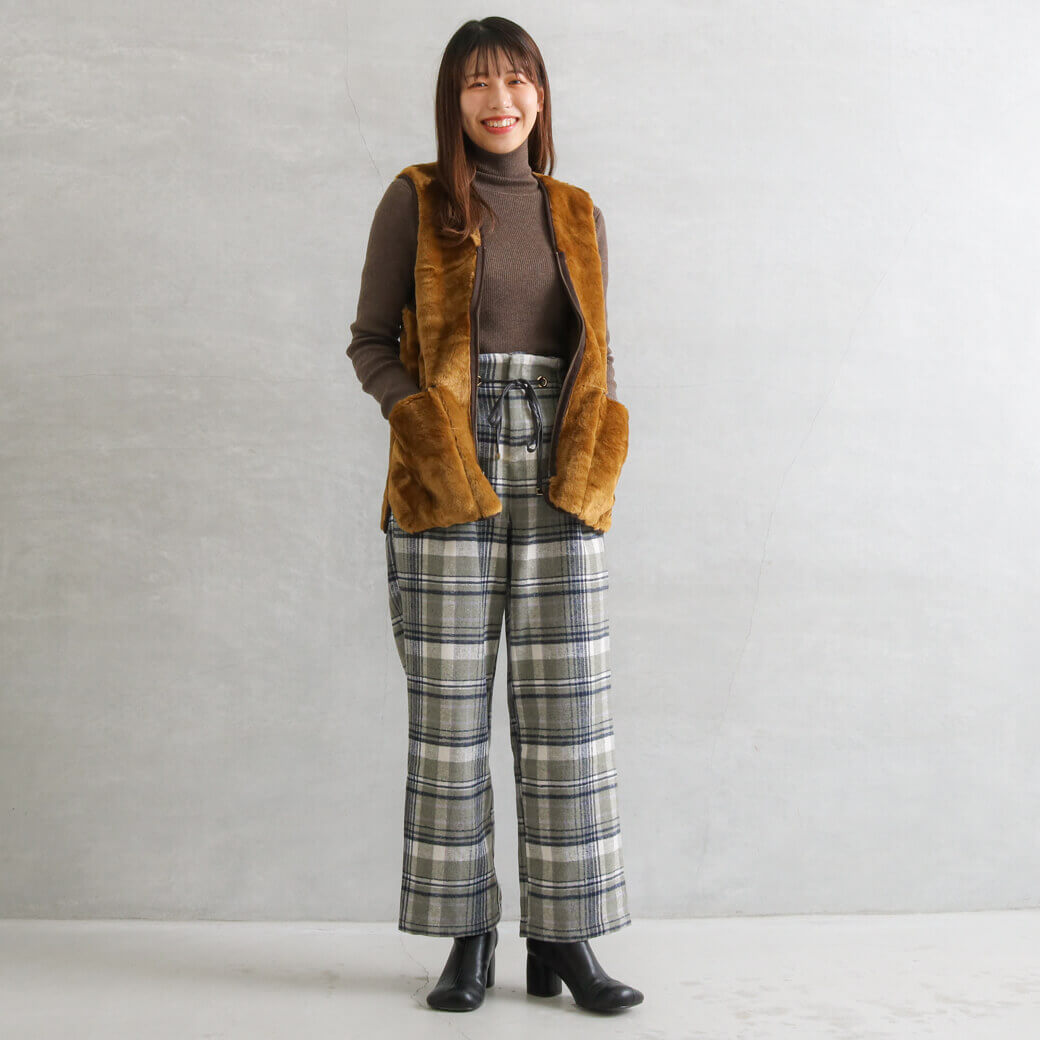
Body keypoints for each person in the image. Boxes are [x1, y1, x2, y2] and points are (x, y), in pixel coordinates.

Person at [347, 16, 642, 1015]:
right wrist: (427, 426)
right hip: (446, 474)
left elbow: (598, 351)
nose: (499, 99)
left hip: (561, 468)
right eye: (477, 83)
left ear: (539, 95)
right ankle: (466, 933)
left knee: (569, 718)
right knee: (450, 717)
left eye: (516, 79)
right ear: (454, 100)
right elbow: (369, 342)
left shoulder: (576, 211)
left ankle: (563, 934)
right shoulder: (417, 197)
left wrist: (595, 454)